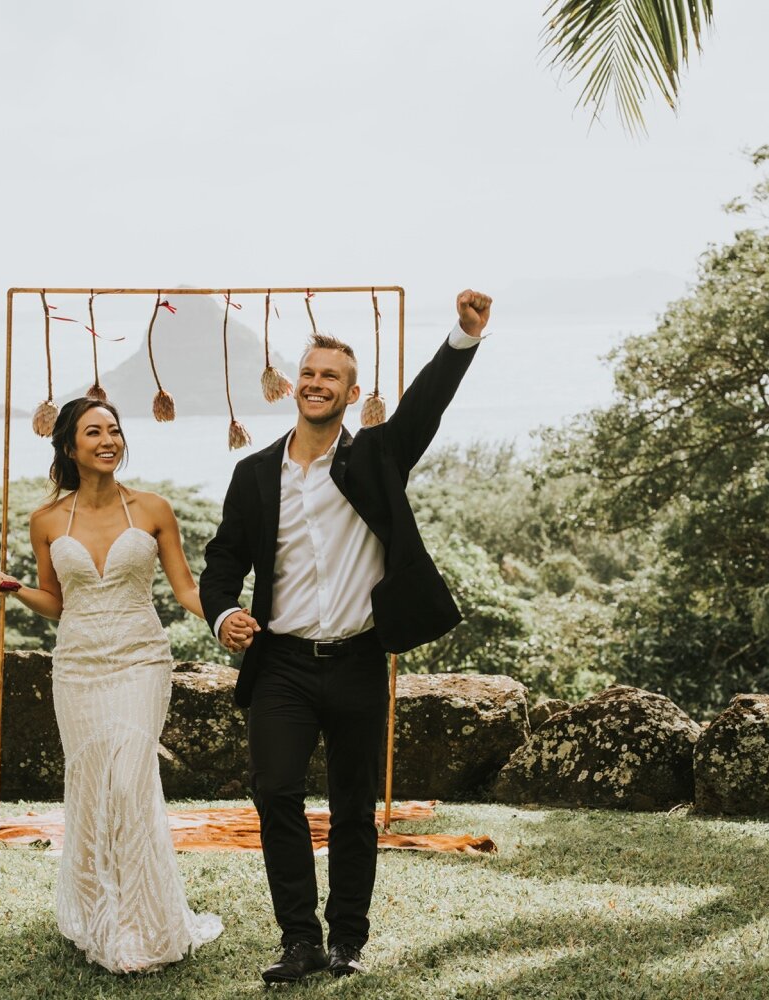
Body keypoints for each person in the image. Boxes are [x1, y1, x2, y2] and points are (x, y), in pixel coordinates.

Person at [200, 288, 491, 984]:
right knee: (275, 793)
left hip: (360, 659)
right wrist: (223, 615)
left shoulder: (378, 457)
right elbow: (219, 566)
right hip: (282, 667)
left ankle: (346, 942)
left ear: (351, 391)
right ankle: (298, 940)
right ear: (293, 385)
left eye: (331, 376)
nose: (316, 383)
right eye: (308, 373)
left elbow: (427, 404)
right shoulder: (253, 475)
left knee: (355, 808)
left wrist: (463, 335)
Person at [0, 396, 223, 974]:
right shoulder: (47, 521)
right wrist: (10, 588)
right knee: (91, 786)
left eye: (114, 430)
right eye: (94, 432)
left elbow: (185, 589)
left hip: (140, 660)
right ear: (69, 446)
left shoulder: (154, 509)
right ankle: (96, 915)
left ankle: (146, 929)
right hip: (78, 666)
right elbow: (57, 603)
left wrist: (224, 615)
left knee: (131, 783)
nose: (108, 440)